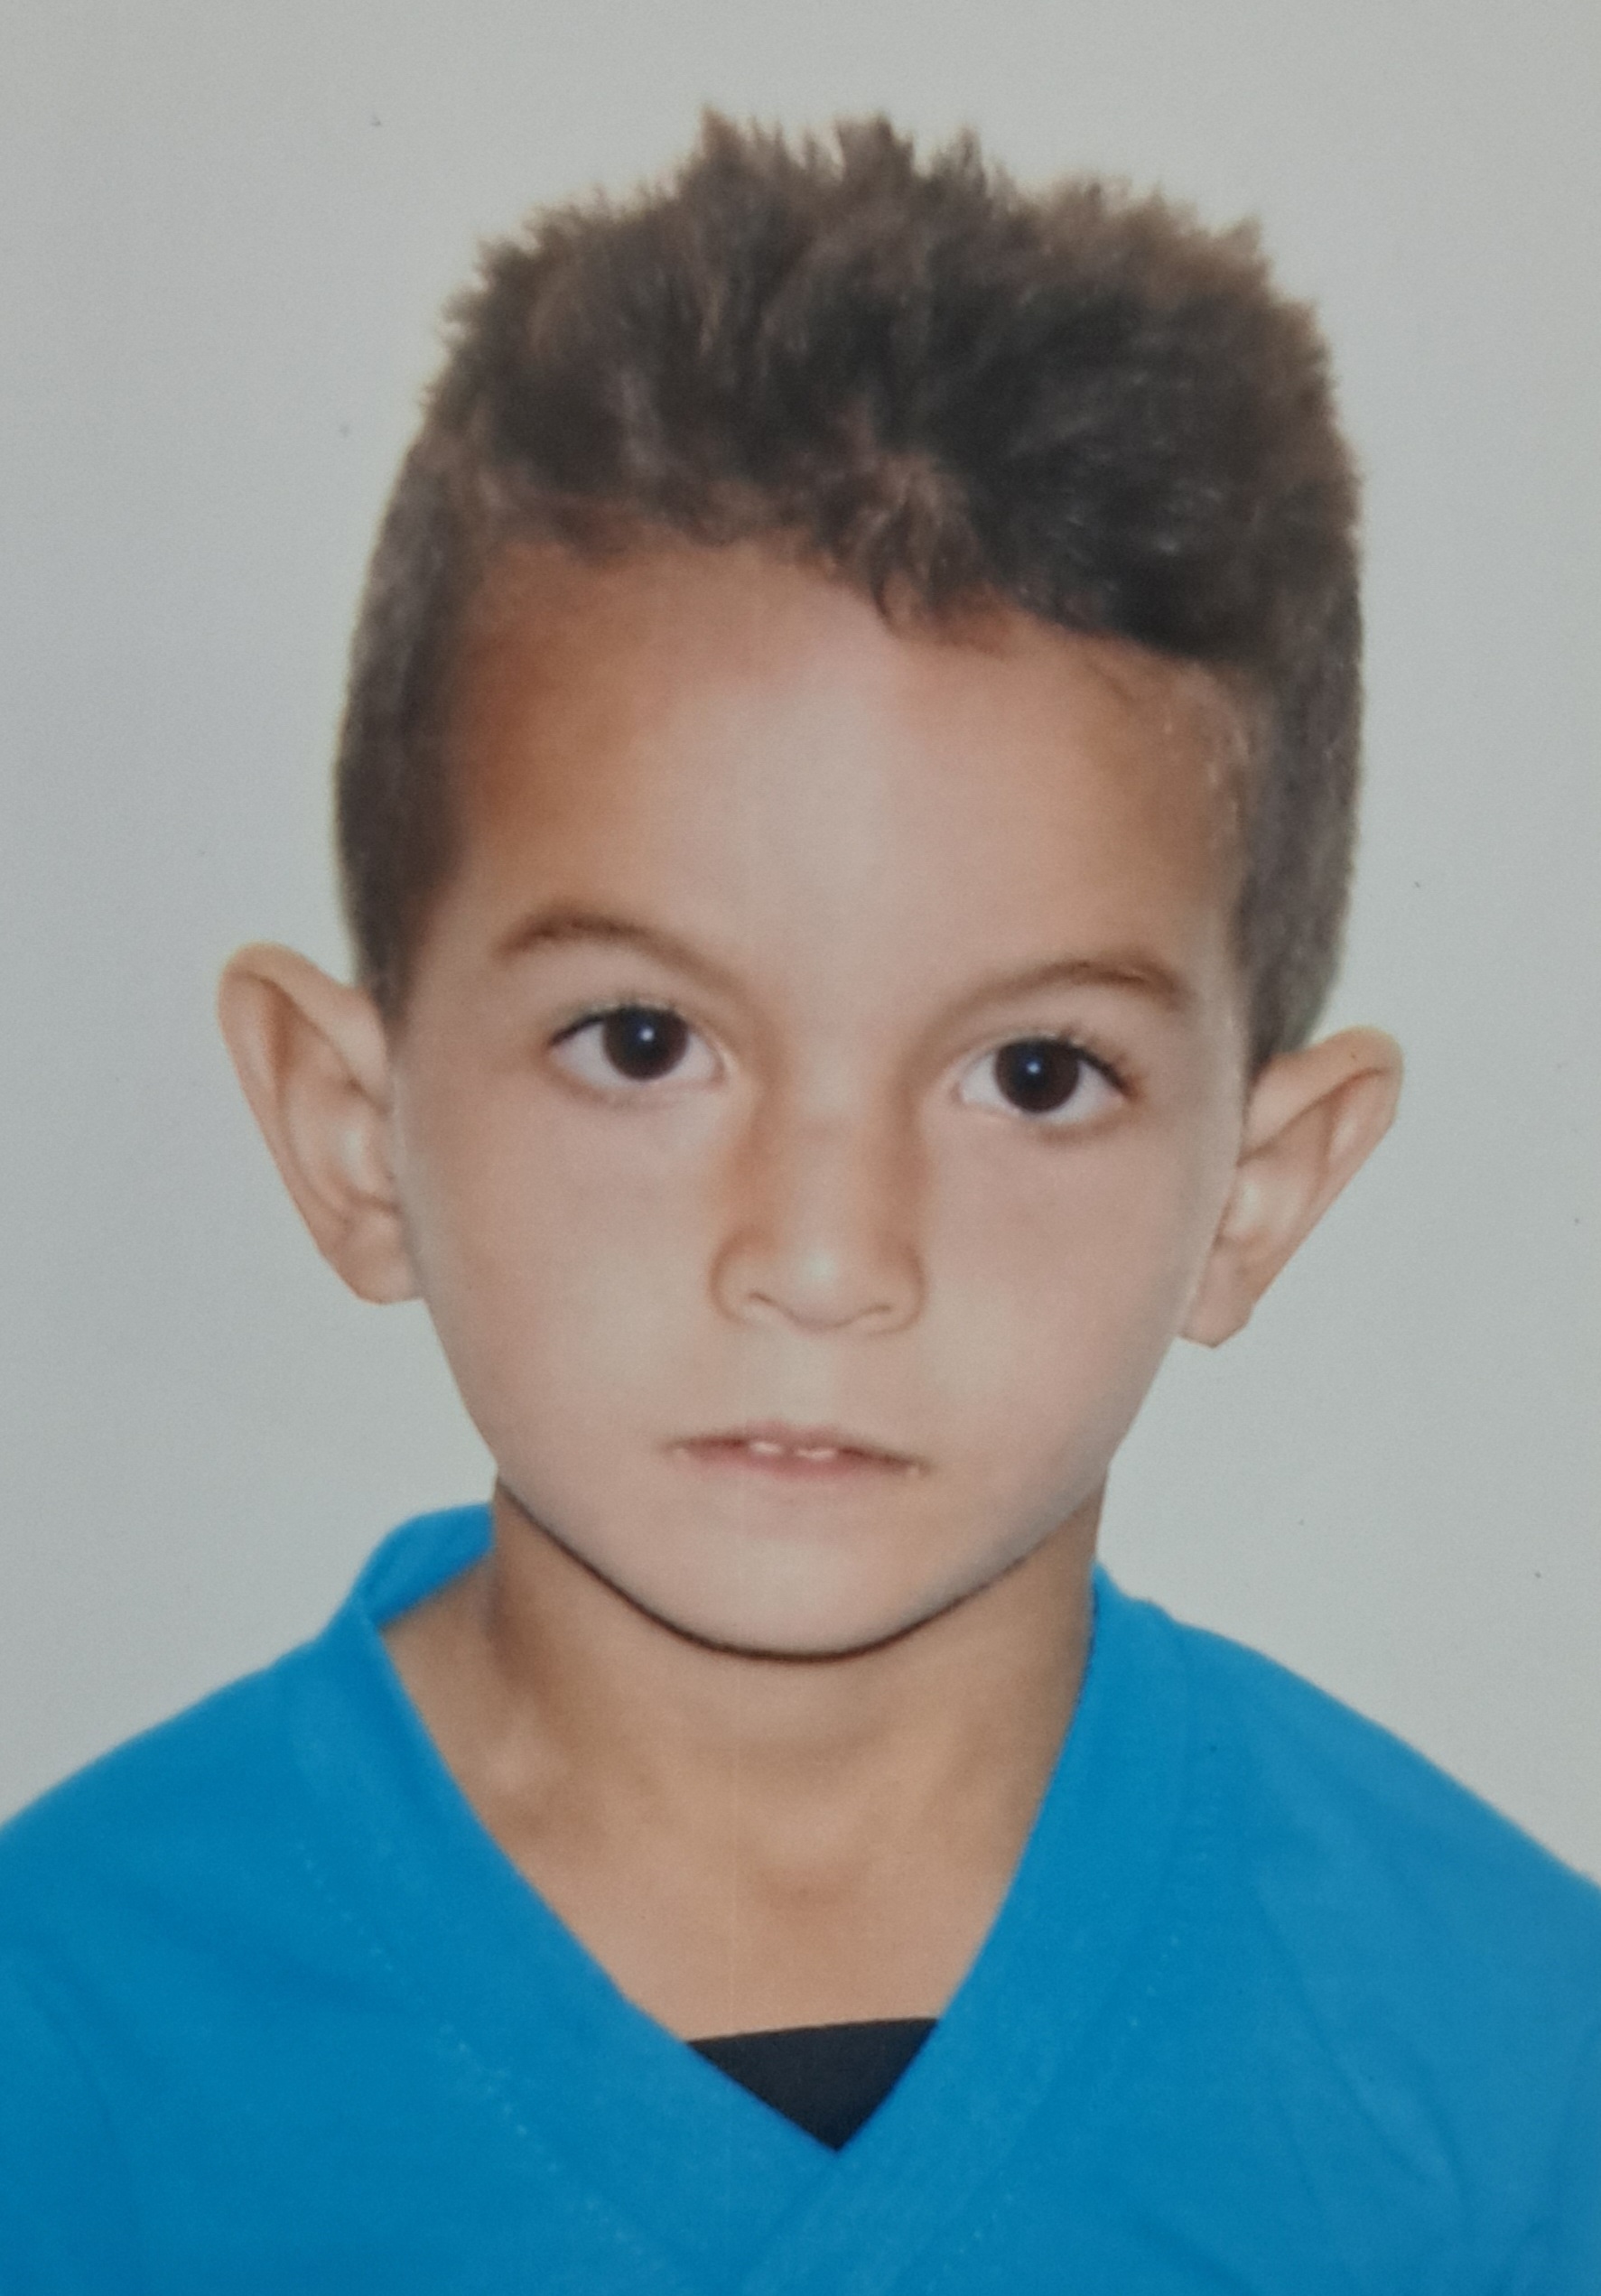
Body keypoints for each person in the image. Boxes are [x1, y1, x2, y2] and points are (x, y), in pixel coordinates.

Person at [1, 114, 1596, 2291]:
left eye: (1032, 1075)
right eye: (643, 1041)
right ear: (349, 1125)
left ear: (1256, 1188)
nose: (825, 1261)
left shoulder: (1507, 2088)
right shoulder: (63, 2062)